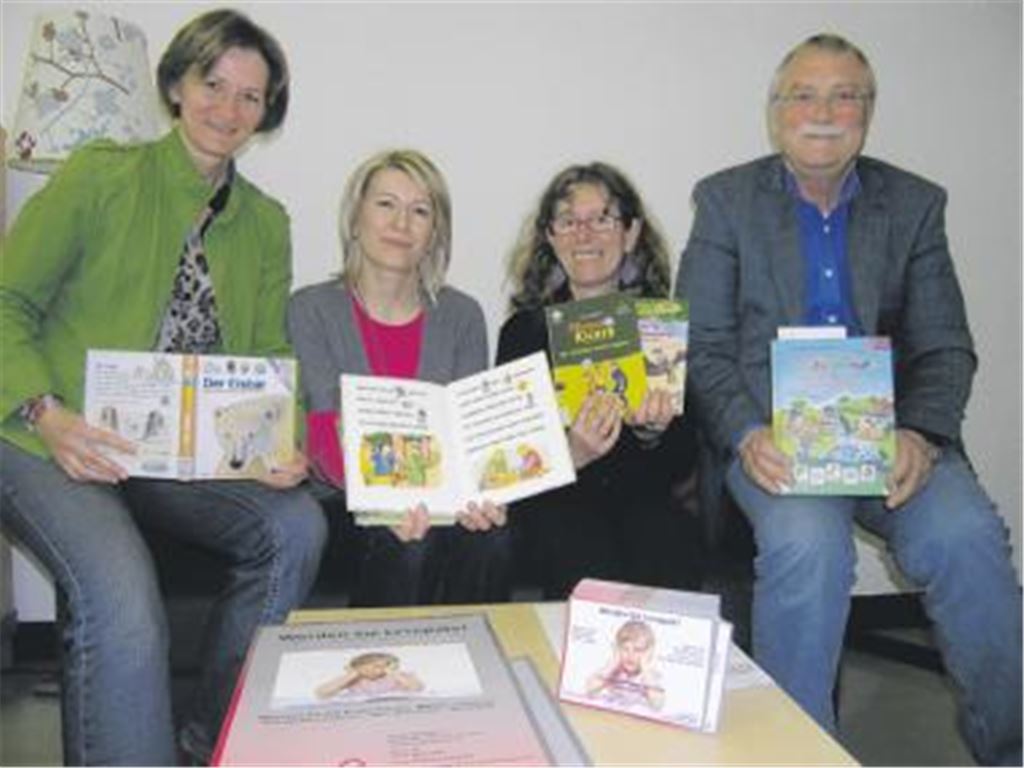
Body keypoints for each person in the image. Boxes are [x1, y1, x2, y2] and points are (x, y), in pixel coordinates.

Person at [675, 33, 1022, 765]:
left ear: (868, 112)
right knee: (809, 546)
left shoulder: (917, 204)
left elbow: (945, 345)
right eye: (803, 93)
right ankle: (802, 756)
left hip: (891, 438)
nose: (823, 111)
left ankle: (1010, 746)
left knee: (968, 542)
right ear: (776, 113)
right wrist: (744, 433)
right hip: (772, 441)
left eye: (845, 95)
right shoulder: (726, 200)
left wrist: (922, 434)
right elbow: (700, 345)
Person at [0, 10, 328, 765]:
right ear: (177, 85)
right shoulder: (99, 176)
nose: (228, 108)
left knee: (297, 526)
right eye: (213, 83)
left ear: (266, 112)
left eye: (251, 96)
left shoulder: (265, 222)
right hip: (51, 439)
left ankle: (209, 738)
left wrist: (282, 443)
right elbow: (9, 305)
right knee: (122, 595)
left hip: (182, 457)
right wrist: (47, 414)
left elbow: (269, 352)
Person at [287, 149, 511, 606]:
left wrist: (482, 495)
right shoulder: (310, 308)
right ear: (355, 218)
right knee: (411, 544)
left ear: (435, 234)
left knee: (493, 538)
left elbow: (470, 436)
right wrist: (383, 500)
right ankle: (384, 671)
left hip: (439, 502)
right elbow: (323, 431)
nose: (401, 223)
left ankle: (475, 673)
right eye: (385, 204)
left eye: (420, 210)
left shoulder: (463, 315)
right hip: (344, 502)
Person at [497, 162, 702, 599]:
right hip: (557, 504)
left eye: (602, 219)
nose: (584, 234)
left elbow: (685, 463)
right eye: (568, 221)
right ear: (550, 237)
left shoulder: (660, 328)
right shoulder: (523, 332)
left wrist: (654, 431)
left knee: (667, 541)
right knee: (580, 552)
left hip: (644, 500)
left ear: (630, 233)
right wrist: (572, 452)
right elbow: (511, 462)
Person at [586, 619, 665, 711]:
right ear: (617, 649)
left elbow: (658, 704)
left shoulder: (650, 676)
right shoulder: (612, 671)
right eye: (625, 649)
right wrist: (612, 664)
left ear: (648, 653)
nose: (630, 655)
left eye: (637, 650)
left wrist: (646, 670)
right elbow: (589, 689)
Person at [315, 651, 424, 700]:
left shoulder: (399, 677)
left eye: (383, 666)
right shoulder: (354, 681)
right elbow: (321, 693)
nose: (376, 670)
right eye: (370, 666)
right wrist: (352, 675)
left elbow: (417, 688)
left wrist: (393, 673)